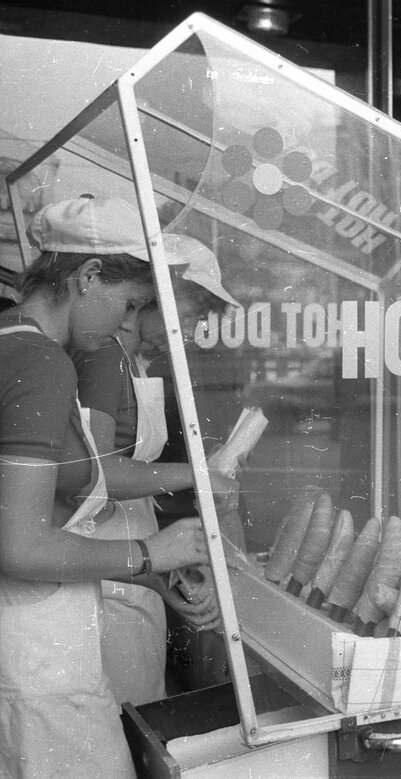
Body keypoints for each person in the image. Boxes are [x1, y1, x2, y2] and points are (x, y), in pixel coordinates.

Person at [0, 195, 216, 778]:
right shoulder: (43, 363)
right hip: (36, 652)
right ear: (88, 275)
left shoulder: (9, 340)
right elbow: (19, 546)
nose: (127, 324)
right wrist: (151, 553)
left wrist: (145, 571)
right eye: (131, 304)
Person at [72, 234, 238, 706]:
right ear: (149, 297)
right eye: (184, 313)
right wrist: (196, 475)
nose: (184, 329)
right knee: (128, 707)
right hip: (106, 560)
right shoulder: (104, 358)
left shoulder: (137, 362)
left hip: (137, 556)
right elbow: (99, 474)